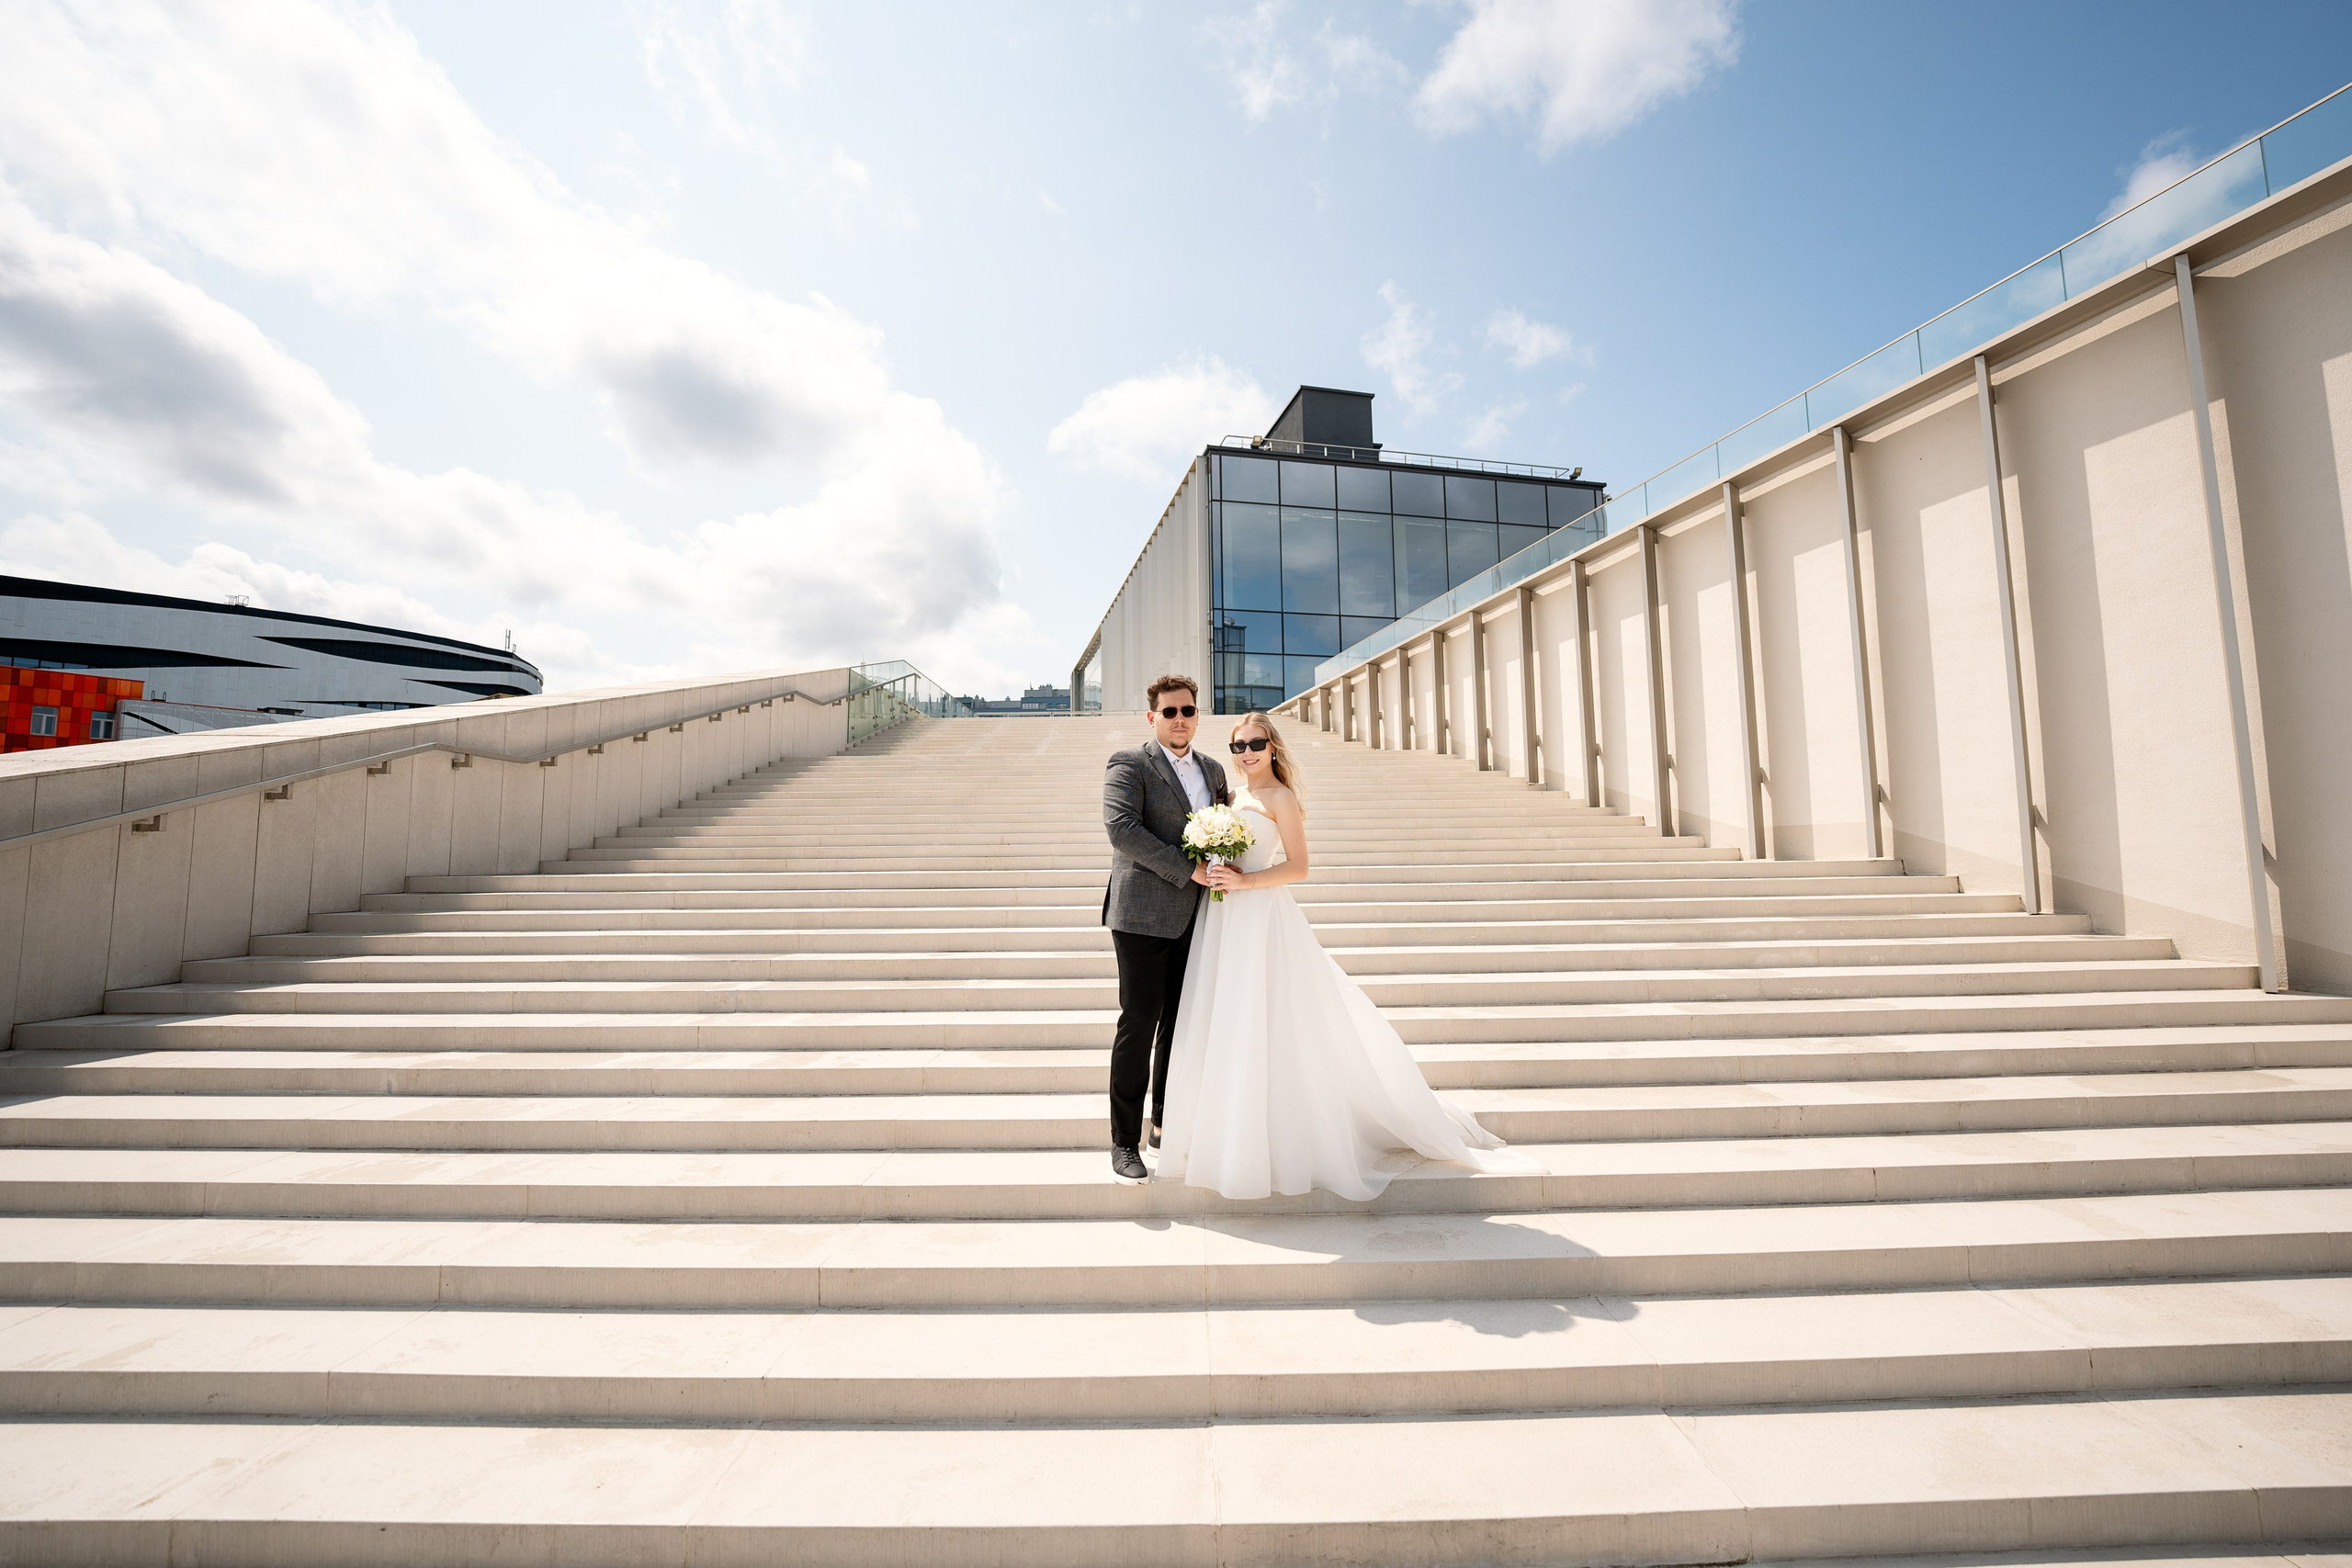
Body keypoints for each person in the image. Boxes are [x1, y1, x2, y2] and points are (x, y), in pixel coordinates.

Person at [1157, 711, 1543, 1201]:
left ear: (1272, 746)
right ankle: (1226, 1133)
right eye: (1237, 746)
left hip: (1261, 917)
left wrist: (1246, 880)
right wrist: (1218, 868)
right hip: (1224, 920)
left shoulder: (1281, 798)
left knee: (1273, 1021)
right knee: (1229, 1020)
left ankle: (1280, 1138)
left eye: (1255, 742)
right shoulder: (1229, 798)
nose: (1246, 752)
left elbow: (1299, 867)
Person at [1100, 674, 1229, 1184]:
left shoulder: (1215, 770)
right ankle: (1123, 1141)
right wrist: (1188, 868)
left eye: (1189, 711)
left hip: (1200, 915)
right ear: (1152, 717)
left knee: (1181, 1025)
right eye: (1170, 712)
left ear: (1198, 715)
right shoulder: (1130, 763)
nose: (1181, 720)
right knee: (1140, 1022)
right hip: (1142, 917)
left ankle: (1165, 1124)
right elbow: (1122, 829)